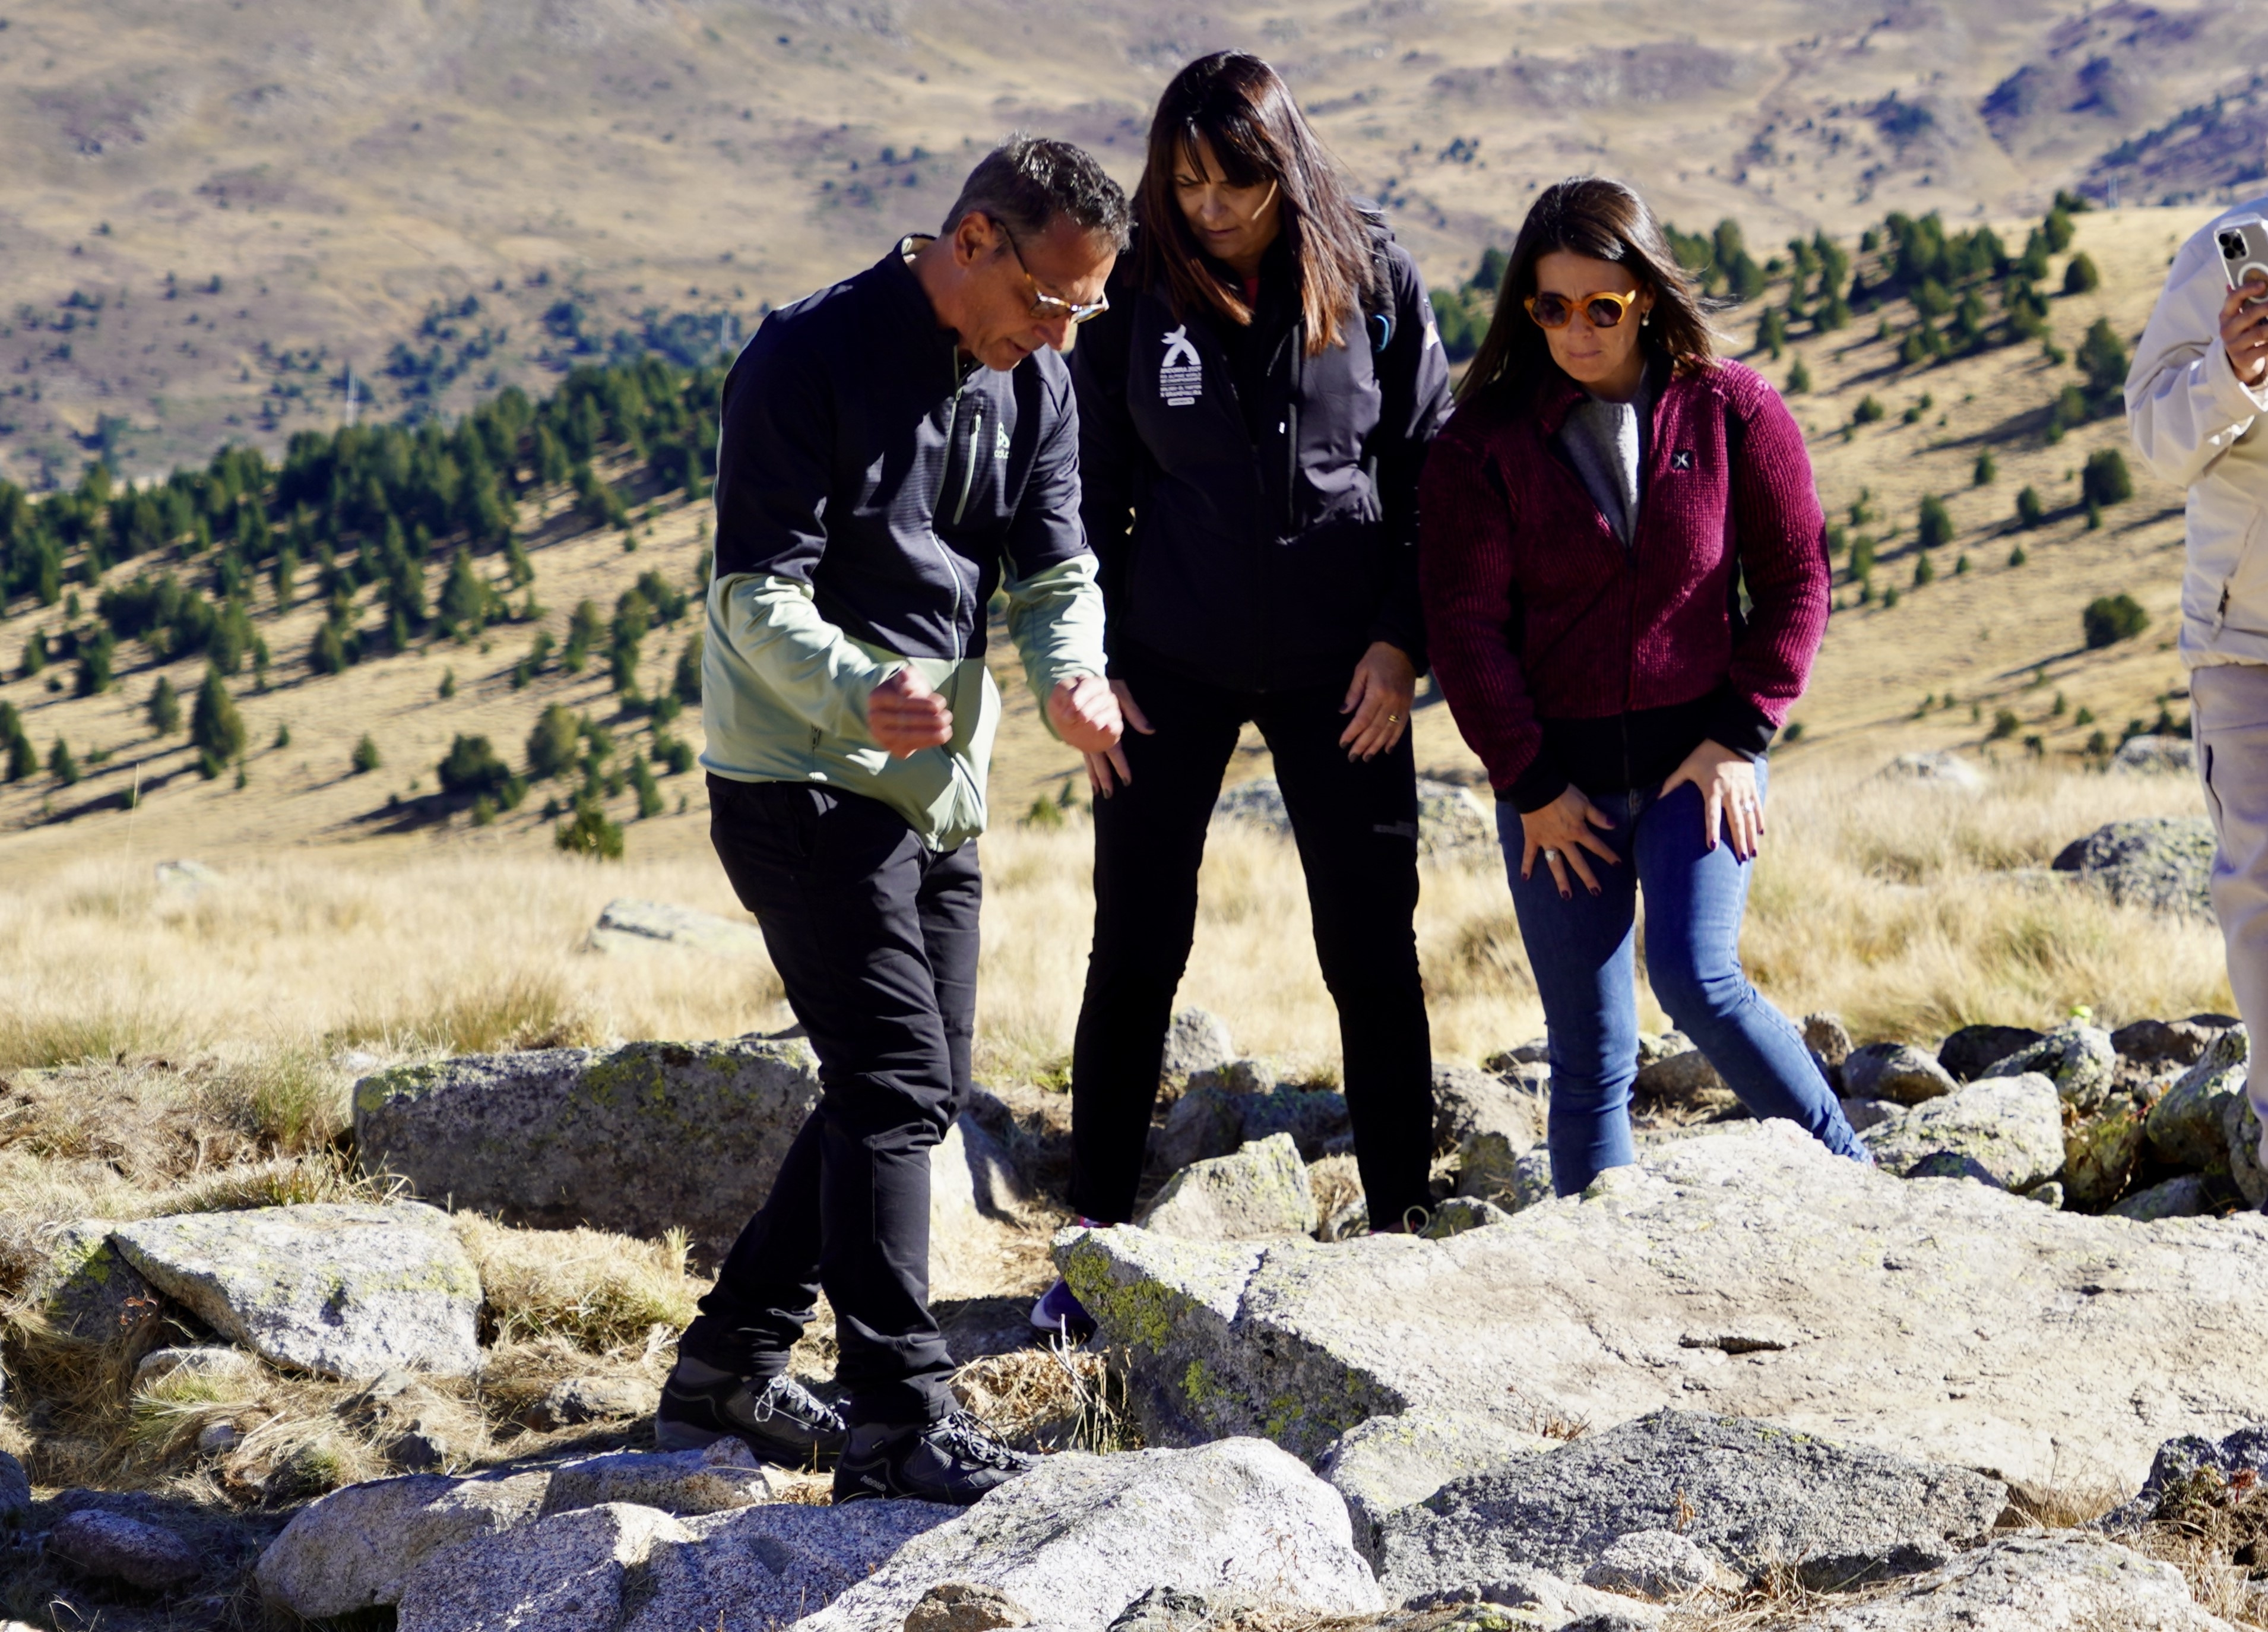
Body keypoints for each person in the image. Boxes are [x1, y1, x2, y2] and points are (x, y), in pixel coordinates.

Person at [655, 135, 1130, 1504]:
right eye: (1049, 299)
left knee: (899, 1094)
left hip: (937, 790)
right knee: (896, 1086)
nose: (1061, 332)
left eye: (1084, 312)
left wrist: (1074, 677)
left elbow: (1054, 569)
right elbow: (754, 595)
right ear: (972, 237)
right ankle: (896, 1422)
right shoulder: (803, 355)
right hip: (797, 780)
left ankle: (729, 1368)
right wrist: (862, 692)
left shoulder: (1035, 377)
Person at [1028, 50, 1452, 1337]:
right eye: (1186, 179)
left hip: (1348, 672)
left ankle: (1401, 1233)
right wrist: (1084, 664)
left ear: (1287, 167)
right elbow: (1080, 492)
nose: (1208, 205)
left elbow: (1431, 471)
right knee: (1136, 945)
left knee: (1370, 946)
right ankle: (1091, 1244)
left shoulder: (1371, 275)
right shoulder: (1136, 291)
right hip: (1169, 663)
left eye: (1235, 181)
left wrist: (1398, 641)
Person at [1417, 176, 1870, 1197]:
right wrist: (1529, 783)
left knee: (1698, 978)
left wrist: (1740, 737)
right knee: (1589, 1056)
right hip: (1553, 795)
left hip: (1693, 769)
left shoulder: (1735, 409)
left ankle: (1857, 1184)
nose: (1575, 331)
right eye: (1550, 308)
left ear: (1649, 298)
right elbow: (1465, 629)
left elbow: (1799, 579)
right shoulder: (1479, 443)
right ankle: (1596, 1274)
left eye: (1602, 308)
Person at [2128, 195, 2268, 1205]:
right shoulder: (2227, 256)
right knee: (2262, 900)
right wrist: (2232, 375)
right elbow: (2157, 440)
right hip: (2248, 647)